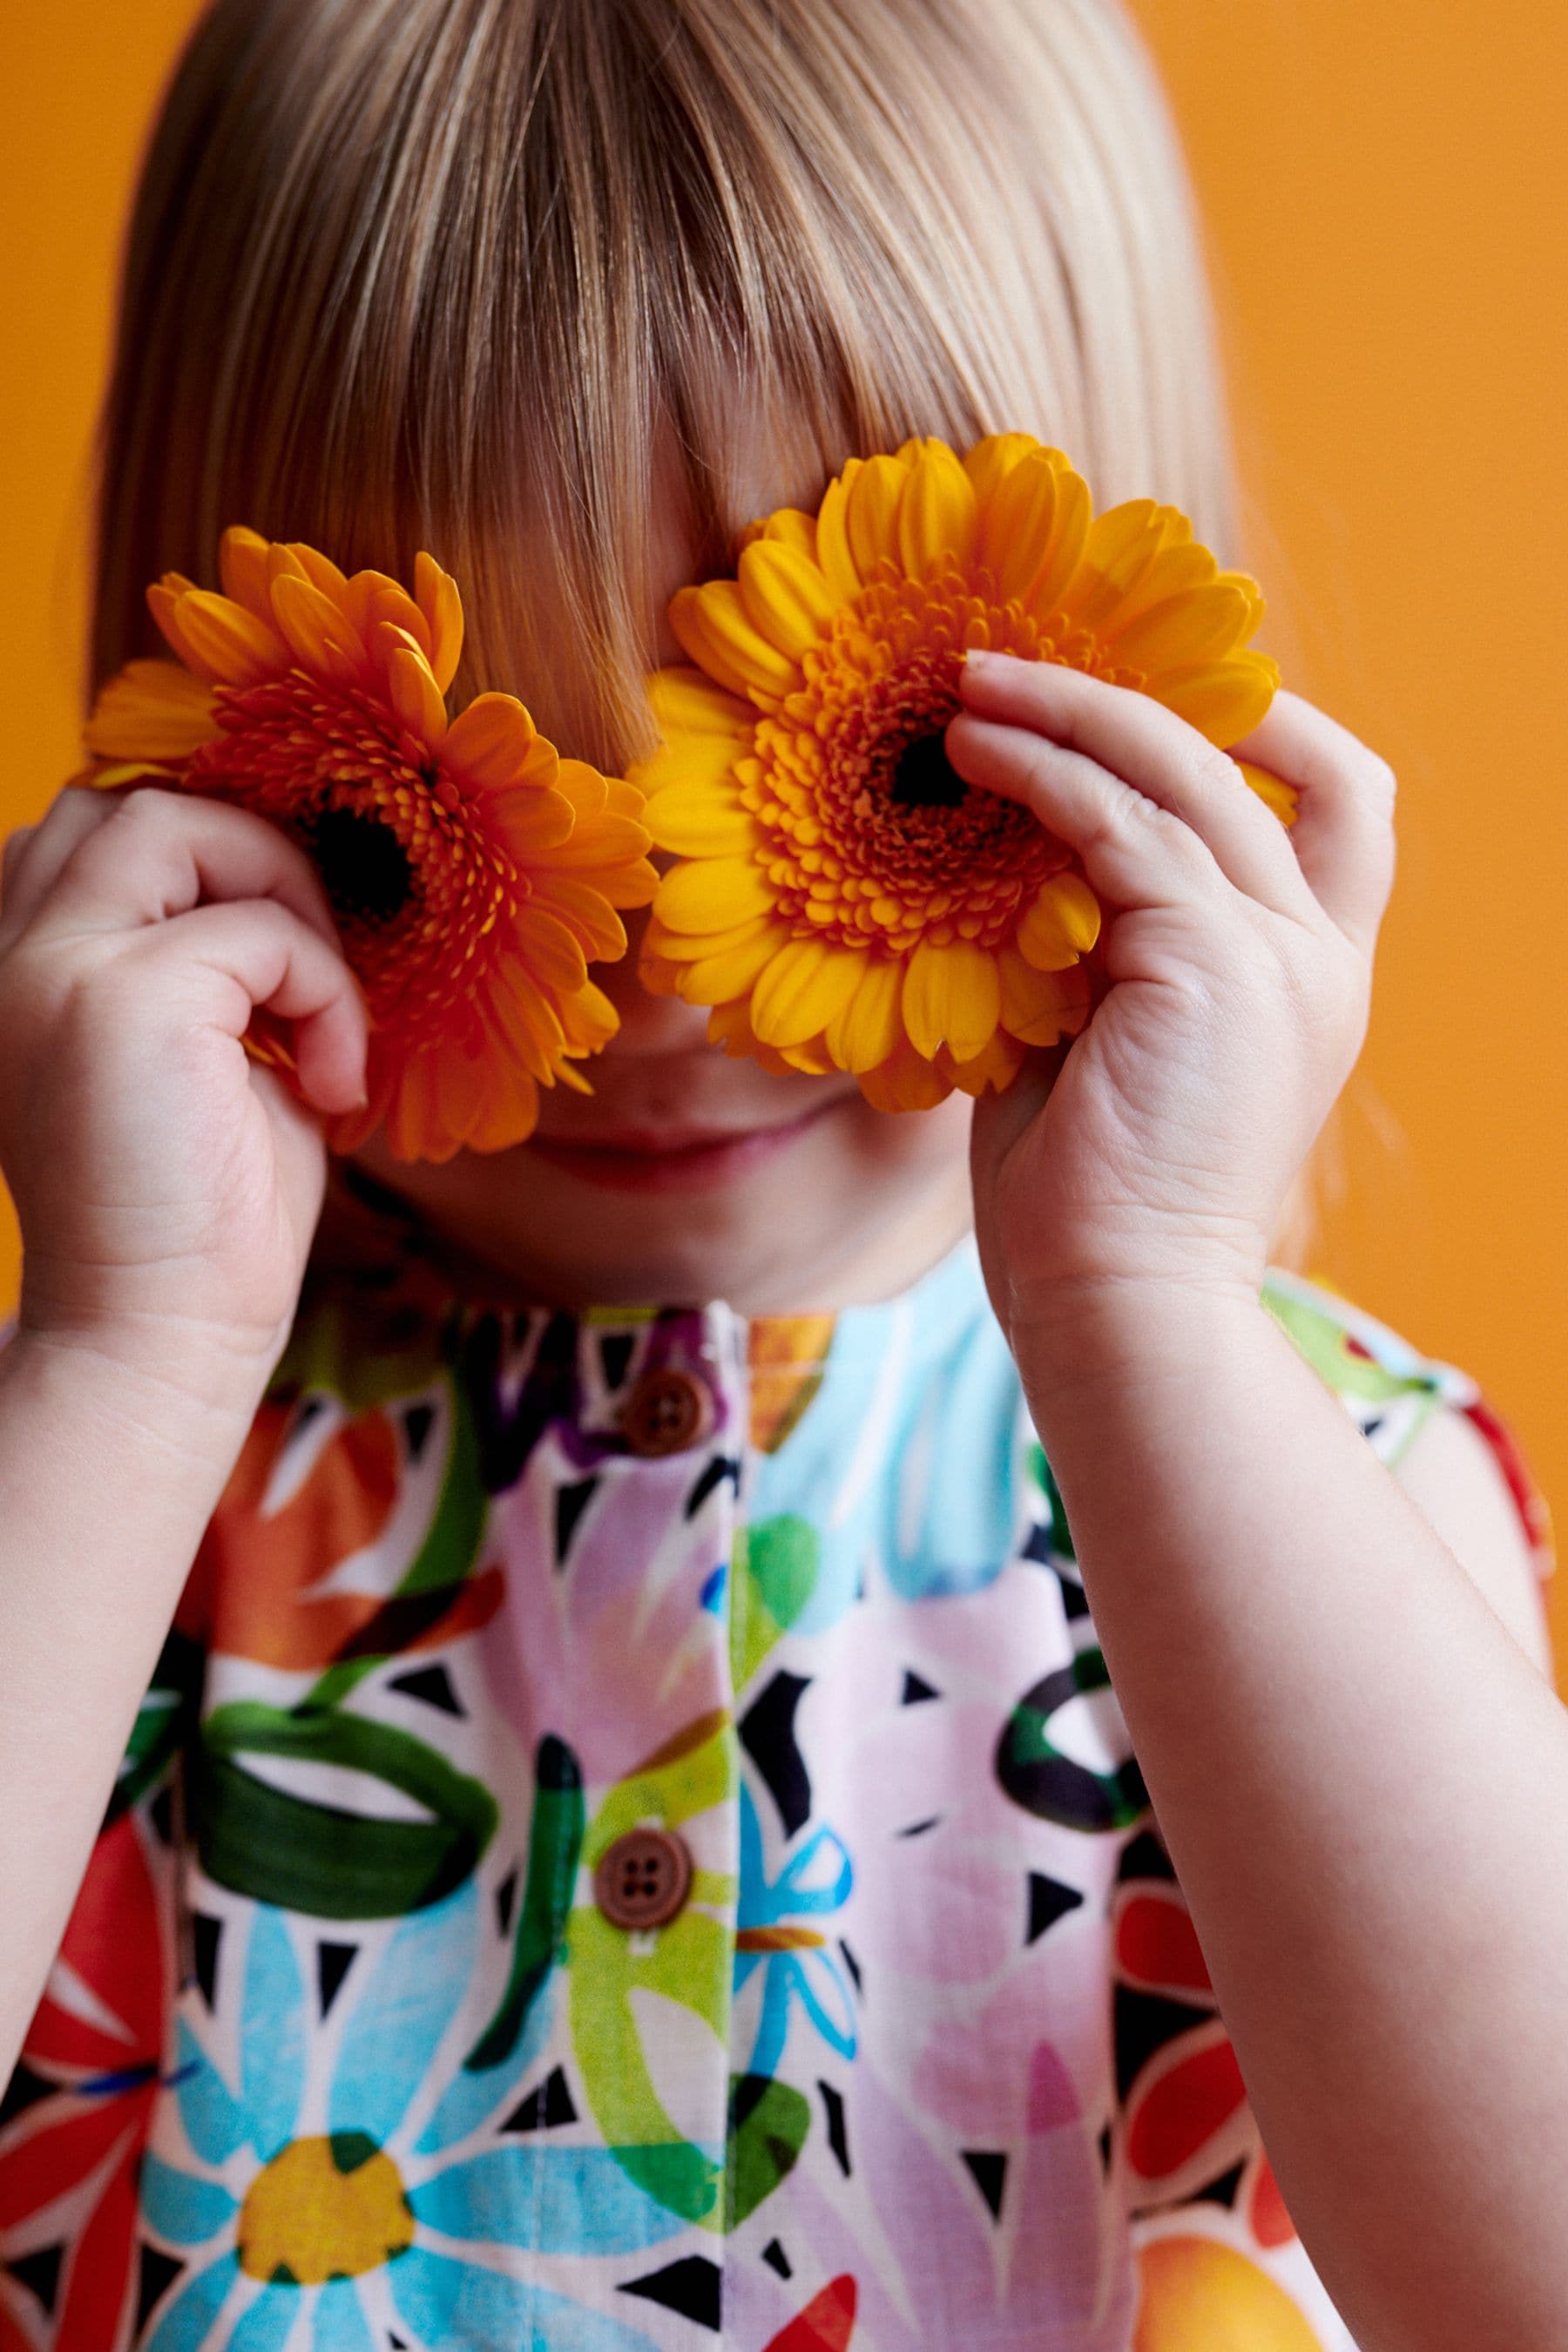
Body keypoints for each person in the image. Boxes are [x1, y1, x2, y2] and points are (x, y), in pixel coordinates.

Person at [0, 1, 1560, 2346]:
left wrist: (1144, 1301)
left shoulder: (1315, 1475)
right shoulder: (106, 1478)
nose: (666, 983)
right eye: (438, 804)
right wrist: (124, 1353)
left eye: (895, 755)